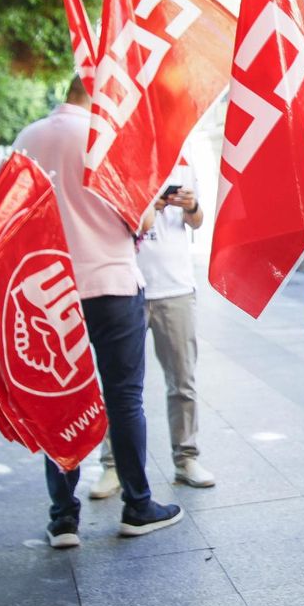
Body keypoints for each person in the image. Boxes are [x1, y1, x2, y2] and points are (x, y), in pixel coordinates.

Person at [13, 75, 182, 546]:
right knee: (124, 397)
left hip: (49, 291)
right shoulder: (108, 140)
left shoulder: (27, 139)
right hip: (112, 282)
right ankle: (137, 504)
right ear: (99, 96)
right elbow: (142, 218)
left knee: (60, 397)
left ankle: (63, 516)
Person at [91, 165, 213, 495]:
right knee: (119, 384)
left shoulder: (185, 162)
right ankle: (113, 465)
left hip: (175, 287)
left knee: (183, 380)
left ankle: (186, 457)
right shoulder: (122, 156)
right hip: (126, 284)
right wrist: (149, 205)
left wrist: (190, 205)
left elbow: (198, 220)